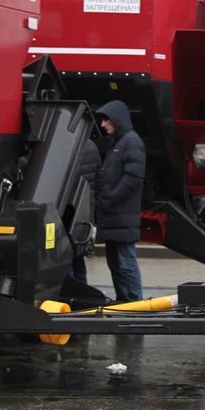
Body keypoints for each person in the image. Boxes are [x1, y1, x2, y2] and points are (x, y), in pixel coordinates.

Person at [95, 100, 145, 302]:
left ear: (117, 119)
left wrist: (111, 199)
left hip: (121, 214)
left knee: (125, 262)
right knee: (116, 263)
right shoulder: (119, 143)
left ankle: (134, 303)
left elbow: (133, 178)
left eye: (106, 119)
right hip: (114, 215)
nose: (103, 124)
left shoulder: (130, 142)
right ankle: (124, 302)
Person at [70, 137, 101, 283]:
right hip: (85, 207)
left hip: (68, 207)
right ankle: (82, 286)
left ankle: (69, 291)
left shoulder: (67, 144)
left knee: (66, 254)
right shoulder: (91, 145)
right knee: (78, 253)